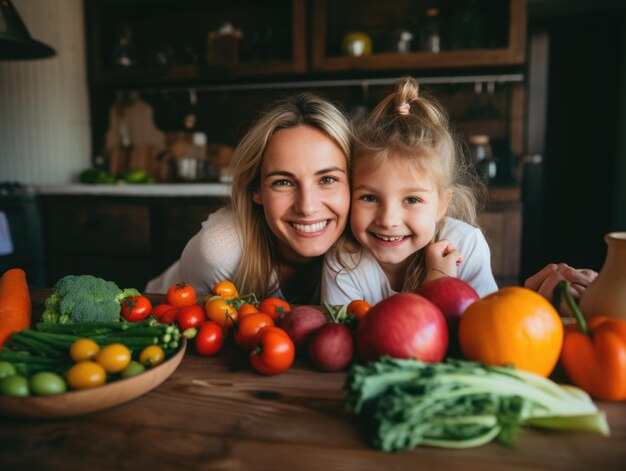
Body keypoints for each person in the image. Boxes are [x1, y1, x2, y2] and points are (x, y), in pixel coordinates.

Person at [146, 92, 352, 304]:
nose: (307, 207)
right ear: (256, 189)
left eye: (327, 179)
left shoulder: (371, 245)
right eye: (283, 182)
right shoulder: (219, 252)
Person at [321, 77, 498, 305]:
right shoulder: (344, 259)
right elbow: (343, 337)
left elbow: (481, 330)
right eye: (370, 197)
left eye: (412, 199)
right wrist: (437, 283)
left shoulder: (465, 246)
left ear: (441, 205)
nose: (388, 220)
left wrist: (440, 279)